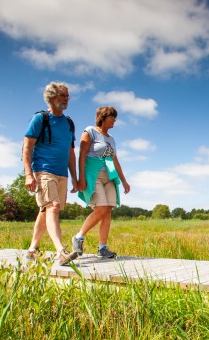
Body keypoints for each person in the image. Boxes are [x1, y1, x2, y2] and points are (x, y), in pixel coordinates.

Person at [23, 81, 79, 265]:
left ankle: (32, 248)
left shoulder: (69, 123)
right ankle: (61, 252)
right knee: (53, 206)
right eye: (62, 95)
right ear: (51, 97)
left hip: (62, 173)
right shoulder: (40, 118)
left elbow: (71, 153)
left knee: (45, 209)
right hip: (43, 170)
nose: (66, 99)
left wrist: (75, 178)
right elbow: (27, 146)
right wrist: (29, 174)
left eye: (67, 96)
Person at [72, 106, 130, 258]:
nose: (115, 120)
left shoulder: (111, 139)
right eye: (112, 117)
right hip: (94, 175)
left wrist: (124, 181)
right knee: (100, 209)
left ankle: (102, 248)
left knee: (108, 210)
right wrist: (81, 177)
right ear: (103, 117)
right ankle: (78, 237)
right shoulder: (90, 131)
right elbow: (82, 154)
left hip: (109, 176)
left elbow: (115, 160)